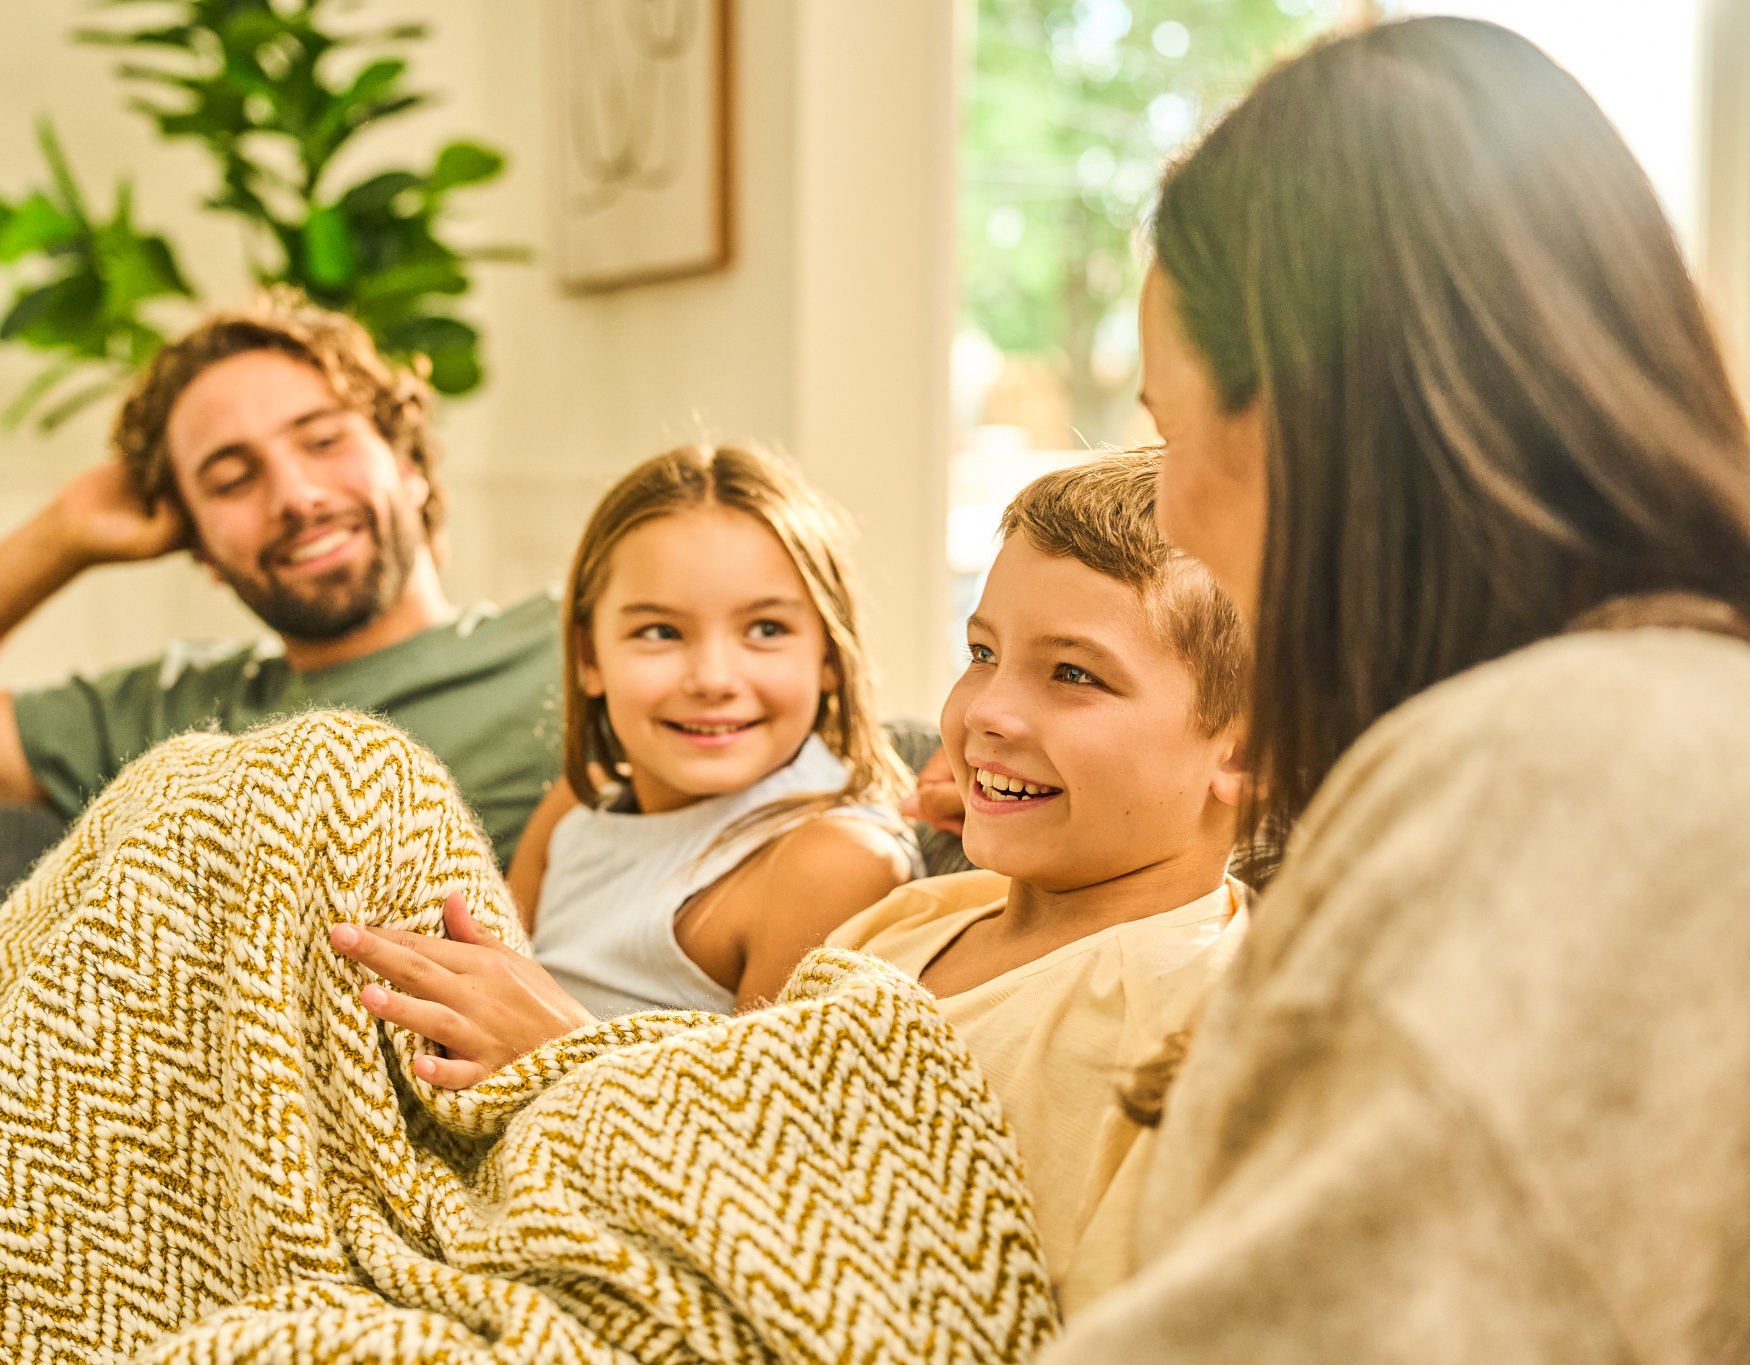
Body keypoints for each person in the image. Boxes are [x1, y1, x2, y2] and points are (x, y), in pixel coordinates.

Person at [1029, 17, 1750, 1362]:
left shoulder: (1563, 778)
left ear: (1314, 417)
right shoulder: (1637, 726)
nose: (1173, 508)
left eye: (1175, 429)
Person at [330, 451, 1254, 1312]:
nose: (986, 712)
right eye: (980, 654)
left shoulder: (1179, 1019)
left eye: (1073, 673)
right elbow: (754, 1125)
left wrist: (573, 1055)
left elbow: (839, 1250)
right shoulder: (915, 918)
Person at [0, 293, 561, 865]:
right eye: (230, 480)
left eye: (322, 440)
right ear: (200, 550)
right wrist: (62, 536)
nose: (293, 495)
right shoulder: (174, 718)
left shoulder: (576, 644)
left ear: (411, 462)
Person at [503, 443, 920, 1017]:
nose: (714, 679)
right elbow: (484, 984)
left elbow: (750, 1104)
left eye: (767, 628)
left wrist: (551, 1044)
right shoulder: (578, 806)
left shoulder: (833, 861)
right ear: (588, 657)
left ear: (829, 652)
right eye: (660, 632)